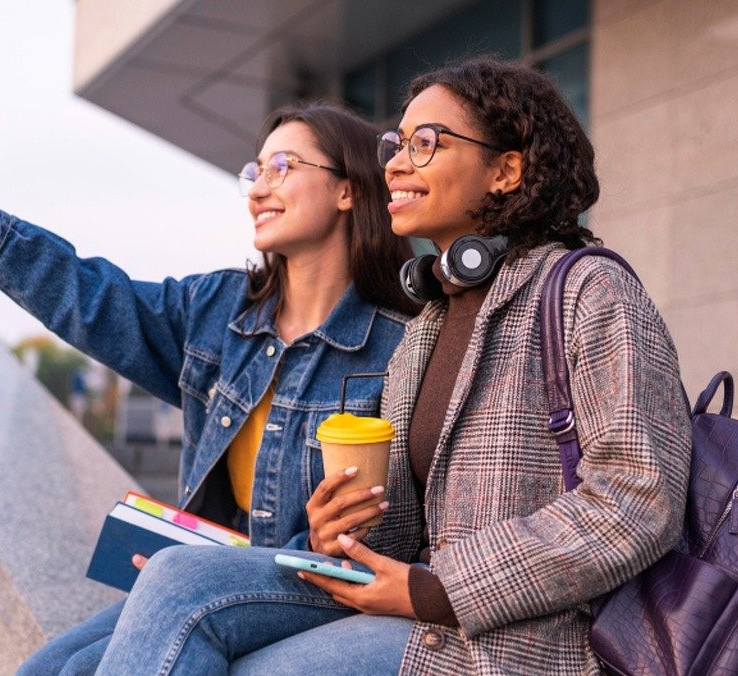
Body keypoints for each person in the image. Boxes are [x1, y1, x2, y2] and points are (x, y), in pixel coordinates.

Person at [92, 57, 694, 675]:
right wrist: (341, 530)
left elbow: (638, 501)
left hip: (528, 643)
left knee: (218, 636)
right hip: (422, 618)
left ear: (506, 171)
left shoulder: (589, 291)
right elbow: (404, 529)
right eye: (397, 143)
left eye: (426, 143)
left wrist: (434, 590)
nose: (396, 164)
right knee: (162, 589)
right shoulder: (430, 323)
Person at [0, 103, 418, 674]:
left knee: (164, 603)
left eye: (282, 168)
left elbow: (416, 518)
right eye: (254, 172)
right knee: (50, 667)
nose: (258, 188)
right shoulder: (218, 310)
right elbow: (87, 296)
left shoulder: (400, 346)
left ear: (348, 190)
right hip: (219, 568)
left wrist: (322, 535)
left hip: (320, 577)